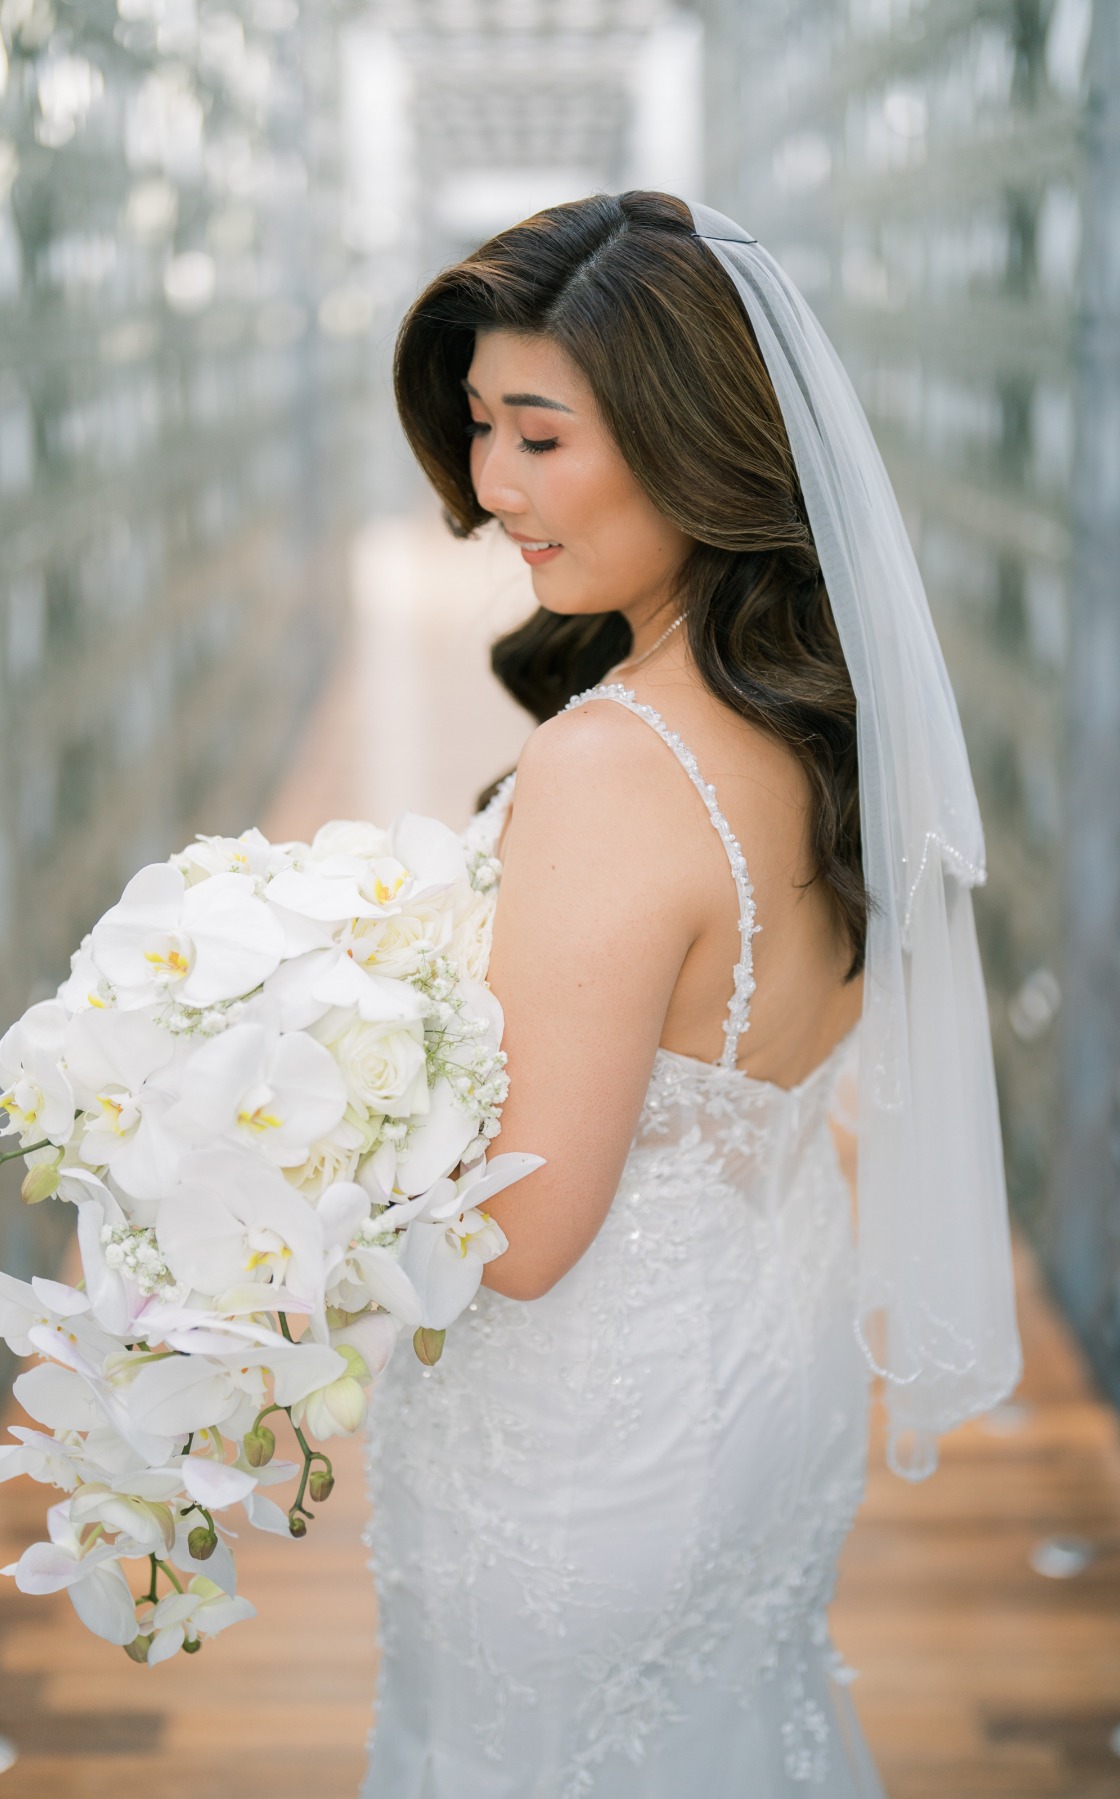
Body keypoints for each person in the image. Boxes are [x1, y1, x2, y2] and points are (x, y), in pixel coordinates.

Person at [360, 190, 1021, 1798]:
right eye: (477, 431)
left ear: (686, 441)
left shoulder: (612, 760)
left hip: (586, 1433)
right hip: (763, 1364)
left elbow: (521, 1242)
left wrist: (301, 1127)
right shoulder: (825, 713)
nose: (492, 489)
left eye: (539, 435)